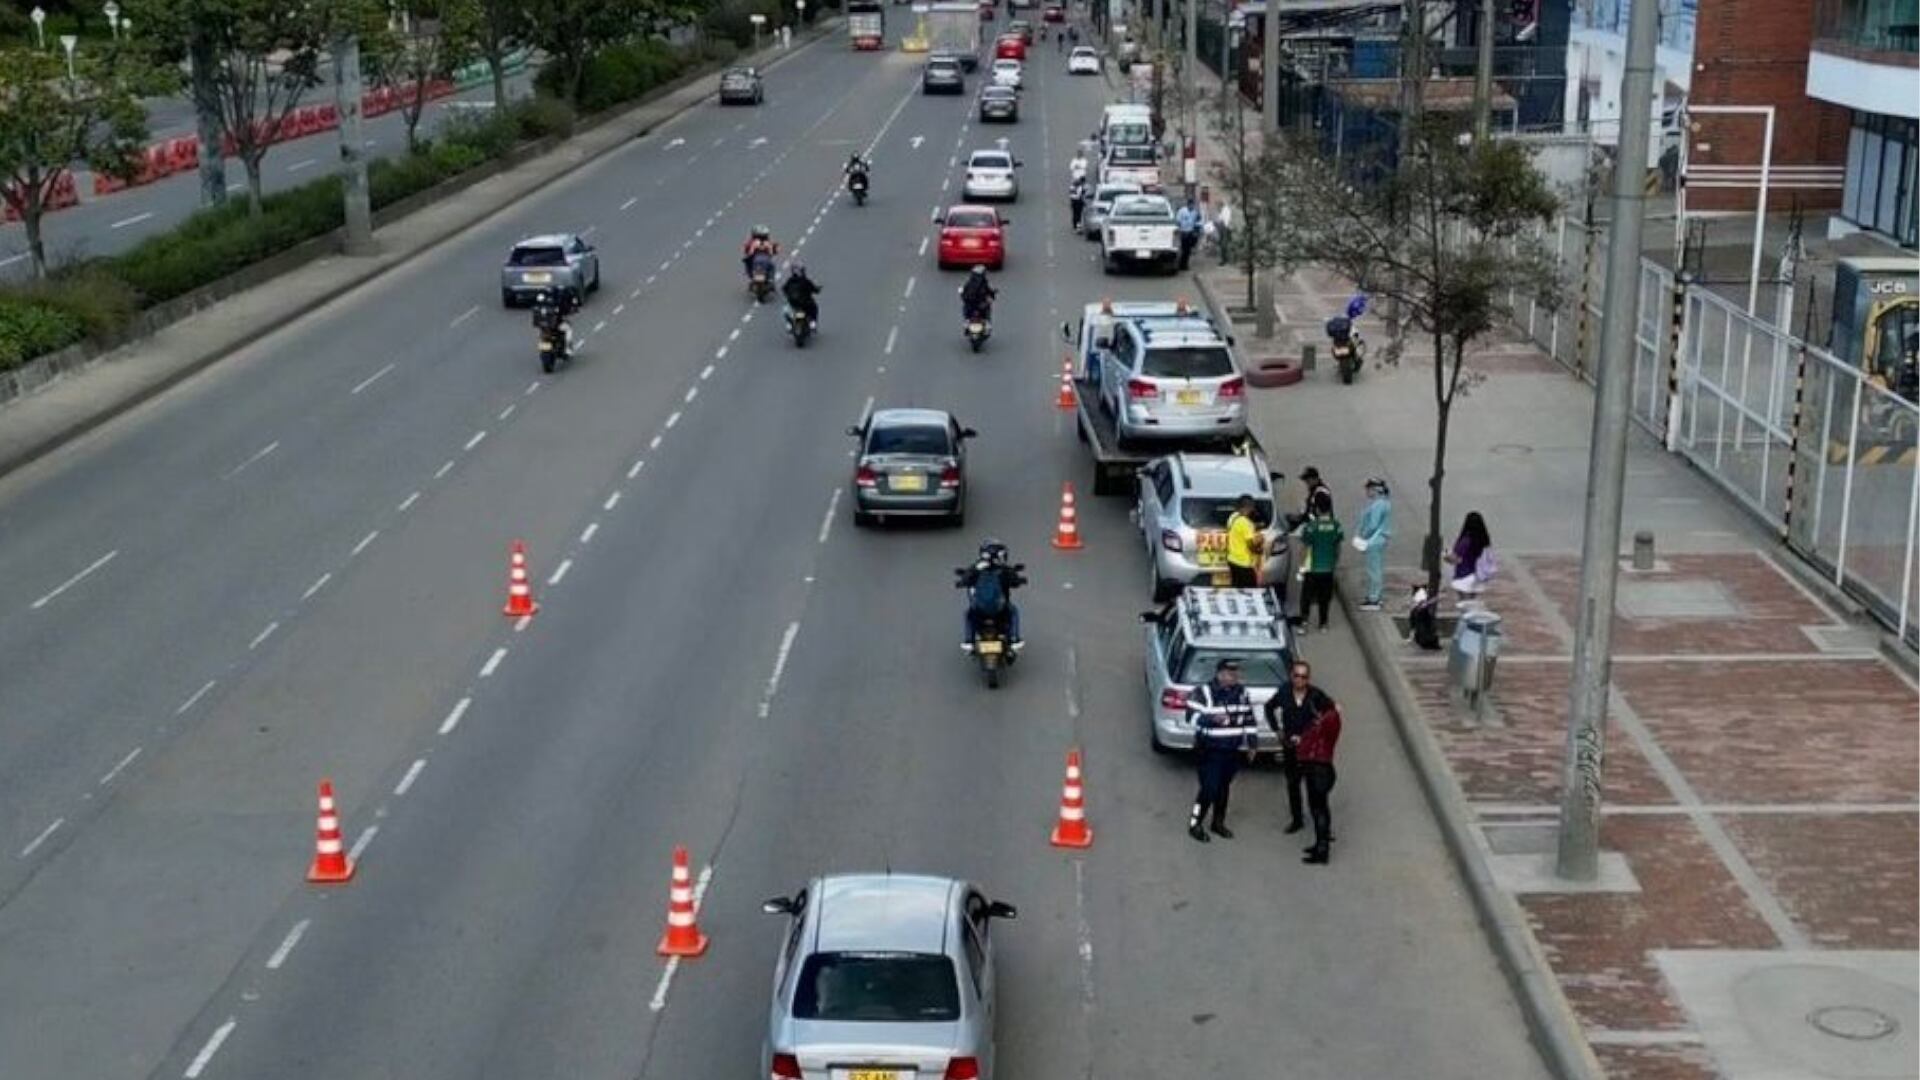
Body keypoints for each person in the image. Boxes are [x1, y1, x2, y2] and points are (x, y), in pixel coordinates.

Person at [1262, 660, 1335, 849]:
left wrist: (1317, 733)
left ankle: (1323, 829)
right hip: (1290, 747)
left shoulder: (1316, 696)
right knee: (1292, 783)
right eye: (1296, 675)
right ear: (1291, 676)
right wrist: (1277, 730)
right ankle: (1297, 819)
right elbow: (1269, 708)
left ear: (1308, 679)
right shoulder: (1284, 692)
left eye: (1304, 677)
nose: (1300, 680)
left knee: (1316, 791)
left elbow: (1331, 712)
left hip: (1310, 750)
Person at [1185, 658, 1256, 842]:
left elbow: (1248, 718)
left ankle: (1218, 823)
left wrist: (1252, 743)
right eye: (1231, 674)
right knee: (1208, 789)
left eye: (1236, 673)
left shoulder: (1241, 693)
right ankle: (1195, 823)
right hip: (1210, 751)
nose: (1235, 677)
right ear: (1220, 674)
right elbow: (1190, 717)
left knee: (1223, 789)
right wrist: (1211, 719)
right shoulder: (1203, 692)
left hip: (1231, 751)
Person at [1293, 689, 1342, 865]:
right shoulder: (1325, 719)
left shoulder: (1327, 720)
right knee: (1319, 809)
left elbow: (1318, 733)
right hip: (1319, 768)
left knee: (1319, 810)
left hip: (1319, 769)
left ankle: (1322, 849)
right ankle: (1320, 844)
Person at [957, 539, 1026, 648]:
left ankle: (969, 641)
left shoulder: (976, 568)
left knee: (968, 614)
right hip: (1000, 609)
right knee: (1013, 612)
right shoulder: (1004, 570)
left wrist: (960, 582)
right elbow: (1015, 582)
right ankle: (1014, 639)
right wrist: (1021, 580)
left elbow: (966, 579)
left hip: (980, 609)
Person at [1295, 490, 1342, 632]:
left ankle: (1304, 623)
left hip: (1312, 568)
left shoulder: (1311, 527)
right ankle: (1323, 623)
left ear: (1317, 508)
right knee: (1324, 597)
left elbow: (1304, 548)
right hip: (1328, 568)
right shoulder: (1336, 526)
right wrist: (1334, 563)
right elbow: (1337, 547)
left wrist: (1301, 566)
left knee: (1306, 597)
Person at [1354, 477, 1392, 610]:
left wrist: (1363, 537)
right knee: (1377, 568)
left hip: (1374, 540)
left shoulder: (1377, 505)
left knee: (1373, 570)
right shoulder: (1384, 502)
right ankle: (1376, 596)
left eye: (1368, 489)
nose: (1366, 491)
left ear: (1375, 489)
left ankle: (1373, 599)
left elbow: (1373, 525)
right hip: (1381, 538)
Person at [1444, 510, 1495, 603]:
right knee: (1472, 602)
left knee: (1464, 603)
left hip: (1464, 576)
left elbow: (1456, 559)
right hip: (1477, 576)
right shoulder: (1484, 541)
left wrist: (1445, 554)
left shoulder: (1466, 541)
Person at [1224, 494, 1265, 590]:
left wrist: (1254, 527)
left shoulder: (1233, 518)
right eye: (1252, 507)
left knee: (1237, 589)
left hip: (1232, 560)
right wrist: (1259, 548)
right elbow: (1251, 546)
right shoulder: (1245, 523)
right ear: (1249, 507)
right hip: (1243, 563)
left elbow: (1239, 533)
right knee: (1250, 591)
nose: (1253, 510)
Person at [529, 288, 578, 358]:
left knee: (542, 332)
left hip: (544, 326)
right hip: (555, 326)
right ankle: (568, 349)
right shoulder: (561, 300)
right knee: (568, 328)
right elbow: (570, 309)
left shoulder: (541, 301)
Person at [782, 260, 821, 326]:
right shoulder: (805, 280)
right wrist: (817, 290)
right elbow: (814, 289)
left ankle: (789, 324)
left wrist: (787, 295)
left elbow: (784, 289)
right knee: (814, 308)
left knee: (785, 310)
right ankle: (813, 323)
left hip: (793, 303)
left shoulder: (790, 280)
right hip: (805, 303)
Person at [1175, 198, 1203, 271]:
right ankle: (1181, 264)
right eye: (1191, 205)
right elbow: (1178, 221)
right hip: (1183, 232)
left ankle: (1185, 264)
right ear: (1188, 204)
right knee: (1184, 249)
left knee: (1188, 250)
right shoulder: (1182, 211)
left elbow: (1197, 221)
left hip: (1190, 232)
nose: (1192, 206)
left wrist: (1196, 231)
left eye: (1193, 205)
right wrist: (1179, 231)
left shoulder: (1195, 212)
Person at [1212, 198, 1234, 263]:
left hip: (1225, 228)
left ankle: (1224, 260)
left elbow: (1224, 221)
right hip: (1223, 228)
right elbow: (1220, 219)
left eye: (1218, 205)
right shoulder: (1223, 210)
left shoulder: (1226, 210)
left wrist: (1217, 224)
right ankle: (1224, 259)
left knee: (1223, 244)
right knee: (1222, 244)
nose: (1217, 207)